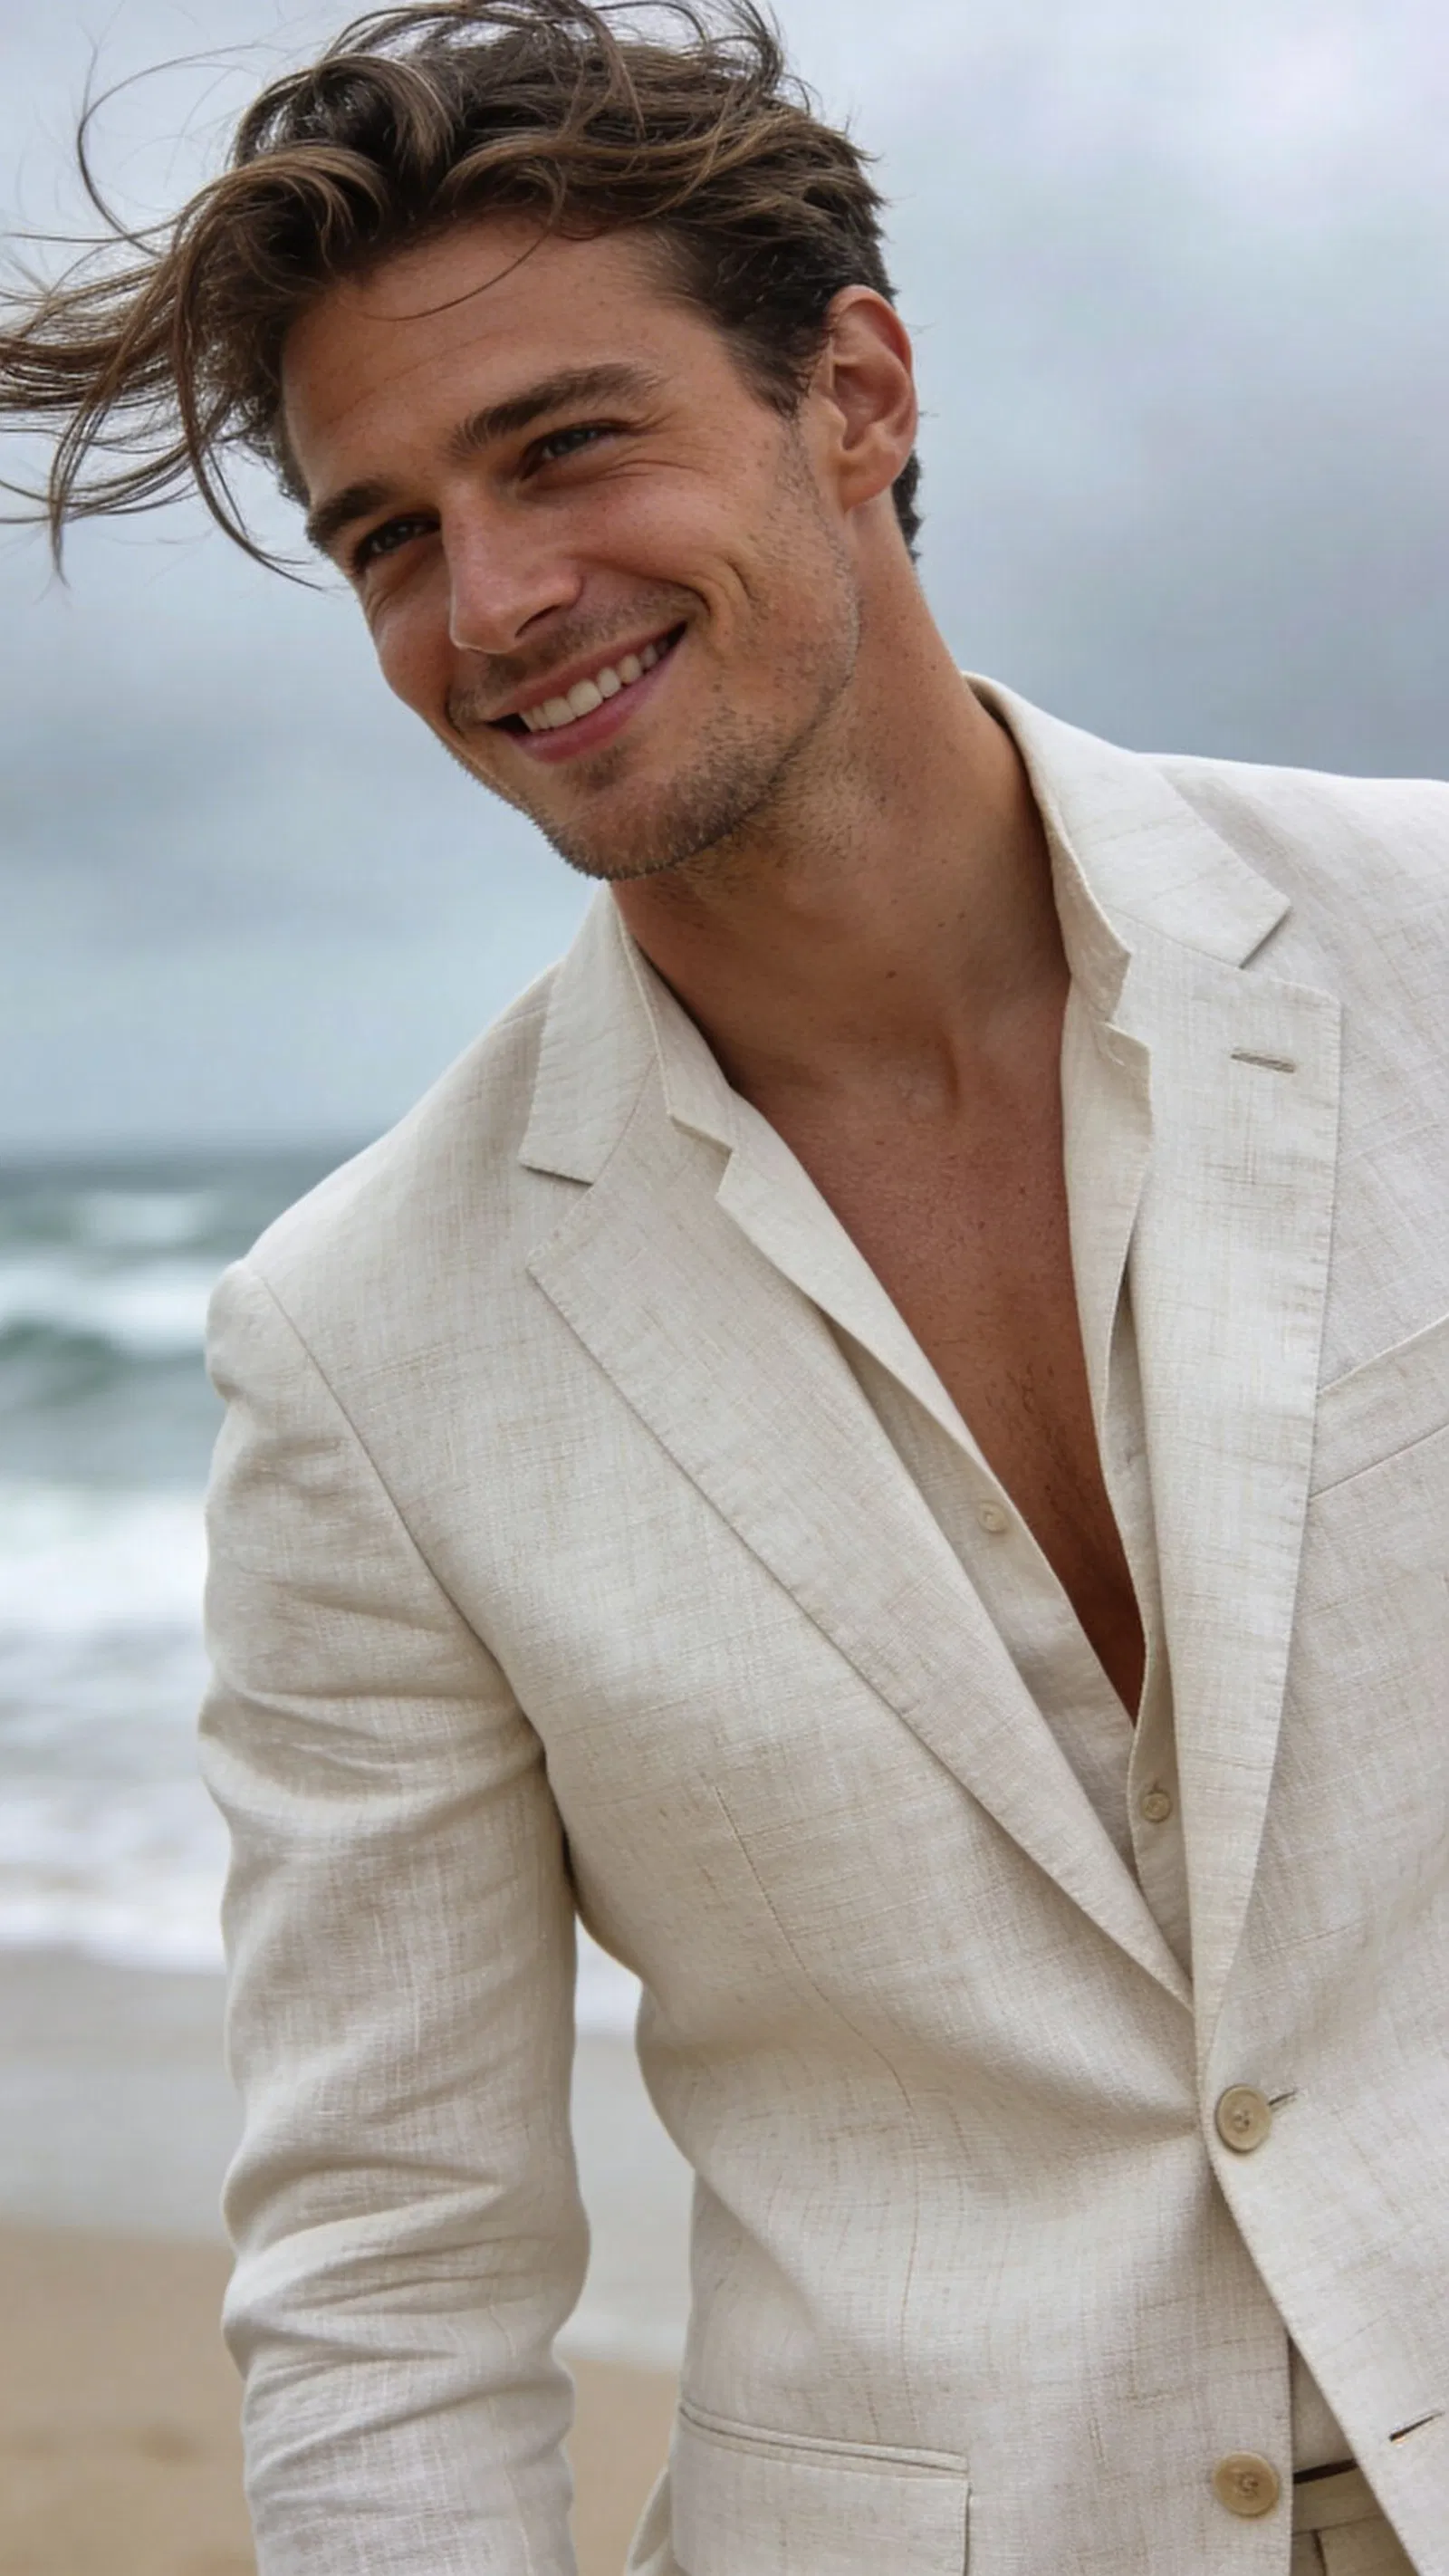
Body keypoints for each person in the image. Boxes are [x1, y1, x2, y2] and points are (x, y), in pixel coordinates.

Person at [5, 4, 1444, 2570]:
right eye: (388, 536)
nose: (500, 600)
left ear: (860, 391)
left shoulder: (1425, 950)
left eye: (565, 446)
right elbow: (389, 2276)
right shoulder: (360, 1338)